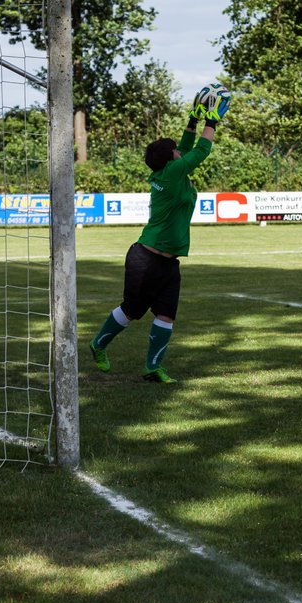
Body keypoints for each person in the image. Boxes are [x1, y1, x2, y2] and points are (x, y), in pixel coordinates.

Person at [86, 86, 229, 383]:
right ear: (171, 160)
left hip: (167, 262)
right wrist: (212, 121)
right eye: (176, 150)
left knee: (166, 315)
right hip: (145, 258)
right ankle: (98, 344)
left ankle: (153, 368)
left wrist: (193, 119)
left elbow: (187, 146)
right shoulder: (174, 172)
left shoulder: (169, 171)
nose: (180, 151)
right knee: (132, 311)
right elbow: (201, 150)